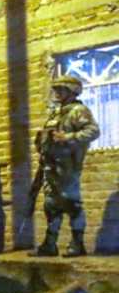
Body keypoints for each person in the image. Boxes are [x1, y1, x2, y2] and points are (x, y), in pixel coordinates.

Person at [33, 74, 100, 257]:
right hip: (50, 166)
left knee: (72, 204)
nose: (57, 92)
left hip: (68, 167)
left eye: (61, 89)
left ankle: (77, 244)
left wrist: (68, 138)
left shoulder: (78, 111)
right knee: (51, 205)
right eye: (55, 89)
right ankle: (50, 243)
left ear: (72, 91)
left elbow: (93, 131)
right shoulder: (57, 112)